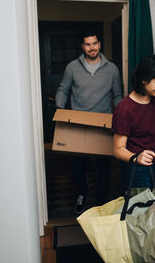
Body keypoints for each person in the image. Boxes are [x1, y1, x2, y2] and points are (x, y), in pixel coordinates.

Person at [55, 29, 123, 214]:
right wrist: (60, 110)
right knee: (78, 166)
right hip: (79, 124)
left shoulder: (112, 69)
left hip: (103, 125)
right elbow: (63, 89)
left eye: (94, 43)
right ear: (83, 46)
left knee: (104, 168)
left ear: (99, 45)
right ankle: (82, 194)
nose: (91, 48)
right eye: (87, 44)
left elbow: (117, 95)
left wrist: (119, 118)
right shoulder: (72, 68)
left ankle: (101, 202)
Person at [112, 54, 155, 191]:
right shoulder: (124, 109)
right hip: (137, 170)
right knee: (141, 211)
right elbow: (118, 149)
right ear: (144, 80)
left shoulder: (154, 99)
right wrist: (137, 157)